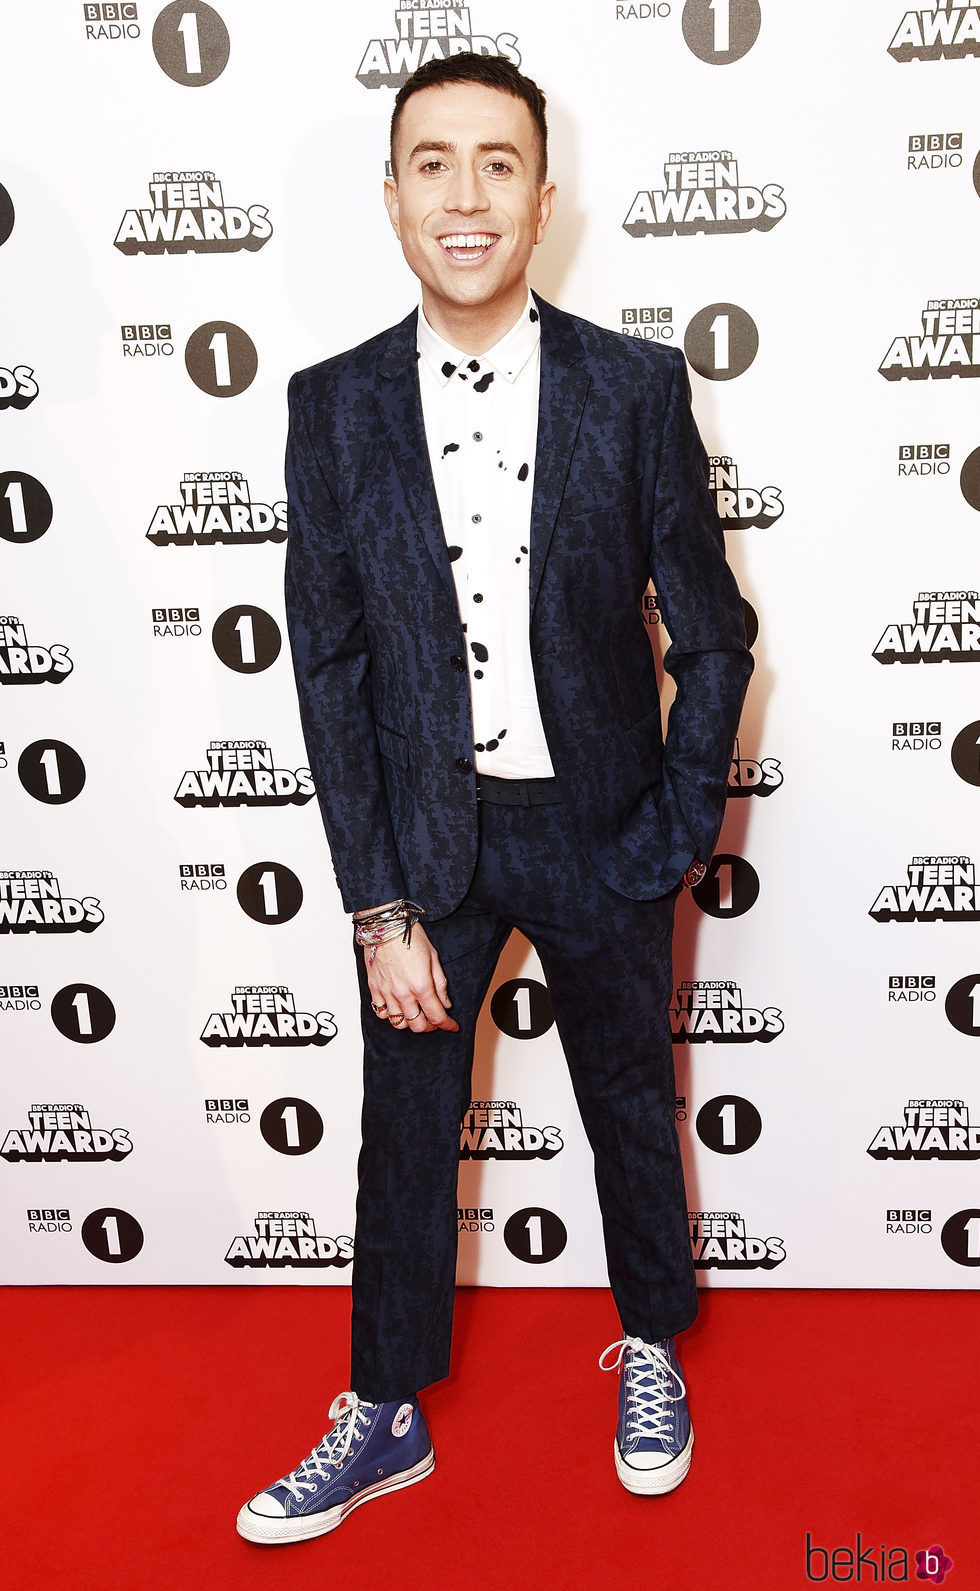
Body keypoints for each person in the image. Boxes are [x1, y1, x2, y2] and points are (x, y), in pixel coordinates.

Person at [237, 52, 752, 1545]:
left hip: (600, 829)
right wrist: (377, 901)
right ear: (391, 196)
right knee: (403, 1123)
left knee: (626, 1116)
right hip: (428, 848)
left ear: (544, 195)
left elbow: (712, 631)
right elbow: (329, 672)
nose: (466, 196)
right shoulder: (329, 409)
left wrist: (669, 832)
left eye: (498, 164)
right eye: (434, 163)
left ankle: (650, 1349)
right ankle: (384, 1410)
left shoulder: (637, 385)